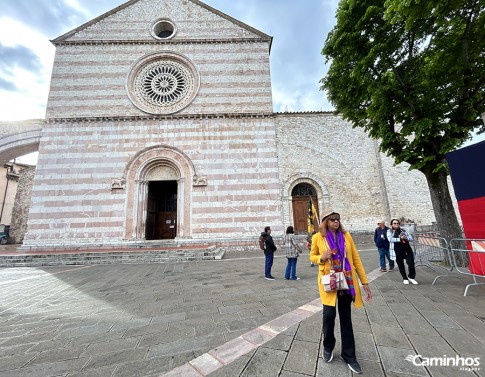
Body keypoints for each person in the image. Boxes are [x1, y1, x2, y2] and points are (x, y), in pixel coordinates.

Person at [310, 210, 372, 375]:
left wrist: (364, 281)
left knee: (346, 318)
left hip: (346, 281)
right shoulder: (318, 237)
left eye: (338, 219)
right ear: (325, 222)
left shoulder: (346, 236)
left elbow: (356, 259)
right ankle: (328, 346)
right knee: (329, 316)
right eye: (332, 220)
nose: (336, 222)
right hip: (329, 282)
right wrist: (321, 258)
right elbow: (312, 256)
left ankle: (349, 355)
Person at [387, 219, 417, 285]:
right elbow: (390, 239)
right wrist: (400, 239)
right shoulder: (390, 231)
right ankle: (405, 278)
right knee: (400, 264)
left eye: (397, 223)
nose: (396, 224)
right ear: (391, 224)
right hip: (397, 250)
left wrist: (406, 238)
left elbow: (411, 238)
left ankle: (411, 277)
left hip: (407, 249)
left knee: (411, 263)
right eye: (394, 223)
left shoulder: (403, 230)